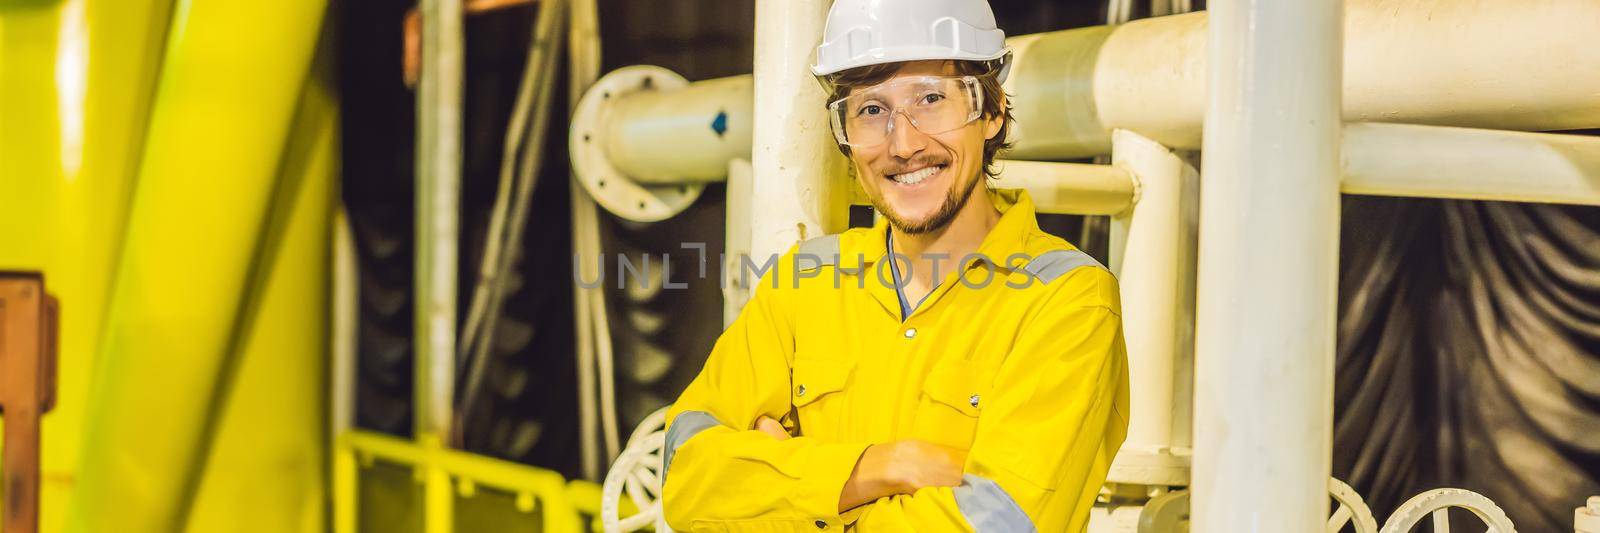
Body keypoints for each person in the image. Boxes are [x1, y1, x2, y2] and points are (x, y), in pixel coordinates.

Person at [660, 0, 1129, 530]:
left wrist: (786, 487)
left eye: (930, 99)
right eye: (870, 110)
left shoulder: (1066, 300)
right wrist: (879, 468)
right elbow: (684, 476)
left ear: (992, 111)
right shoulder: (805, 278)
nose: (903, 144)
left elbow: (1000, 522)